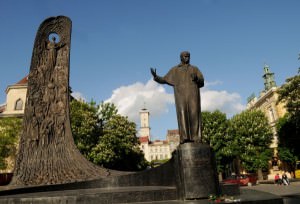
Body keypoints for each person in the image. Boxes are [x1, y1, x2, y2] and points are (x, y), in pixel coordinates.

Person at [150, 51, 204, 143]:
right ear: (181, 58)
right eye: (185, 56)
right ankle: (185, 137)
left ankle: (196, 137)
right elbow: (164, 79)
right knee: (182, 115)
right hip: (181, 97)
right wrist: (156, 77)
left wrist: (197, 78)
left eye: (188, 56)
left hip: (193, 95)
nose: (187, 58)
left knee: (194, 114)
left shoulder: (194, 69)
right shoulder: (175, 70)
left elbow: (202, 81)